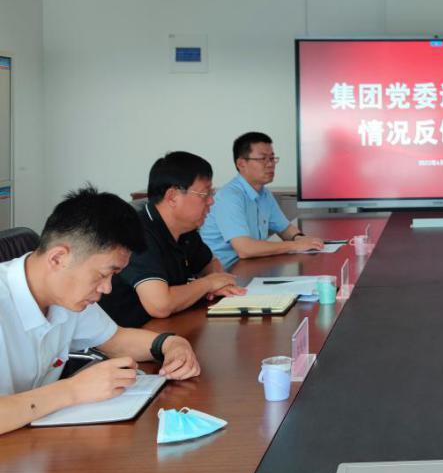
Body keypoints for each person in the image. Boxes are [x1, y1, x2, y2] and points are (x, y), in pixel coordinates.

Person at [0, 186, 202, 436]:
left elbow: (116, 340)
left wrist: (171, 344)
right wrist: (73, 390)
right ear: (58, 258)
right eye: (103, 275)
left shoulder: (66, 296)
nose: (107, 288)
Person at [99, 151, 245, 327]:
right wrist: (208, 284)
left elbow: (211, 265)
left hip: (170, 325)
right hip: (130, 333)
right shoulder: (137, 232)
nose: (211, 201)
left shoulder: (185, 228)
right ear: (172, 196)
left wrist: (217, 283)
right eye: (205, 194)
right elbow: (160, 305)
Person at [200, 131, 324, 266]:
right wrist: (295, 245)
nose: (270, 164)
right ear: (241, 163)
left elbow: (285, 228)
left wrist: (300, 239)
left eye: (272, 158)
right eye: (262, 159)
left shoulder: (264, 194)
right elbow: (245, 249)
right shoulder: (229, 197)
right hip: (226, 271)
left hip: (251, 266)